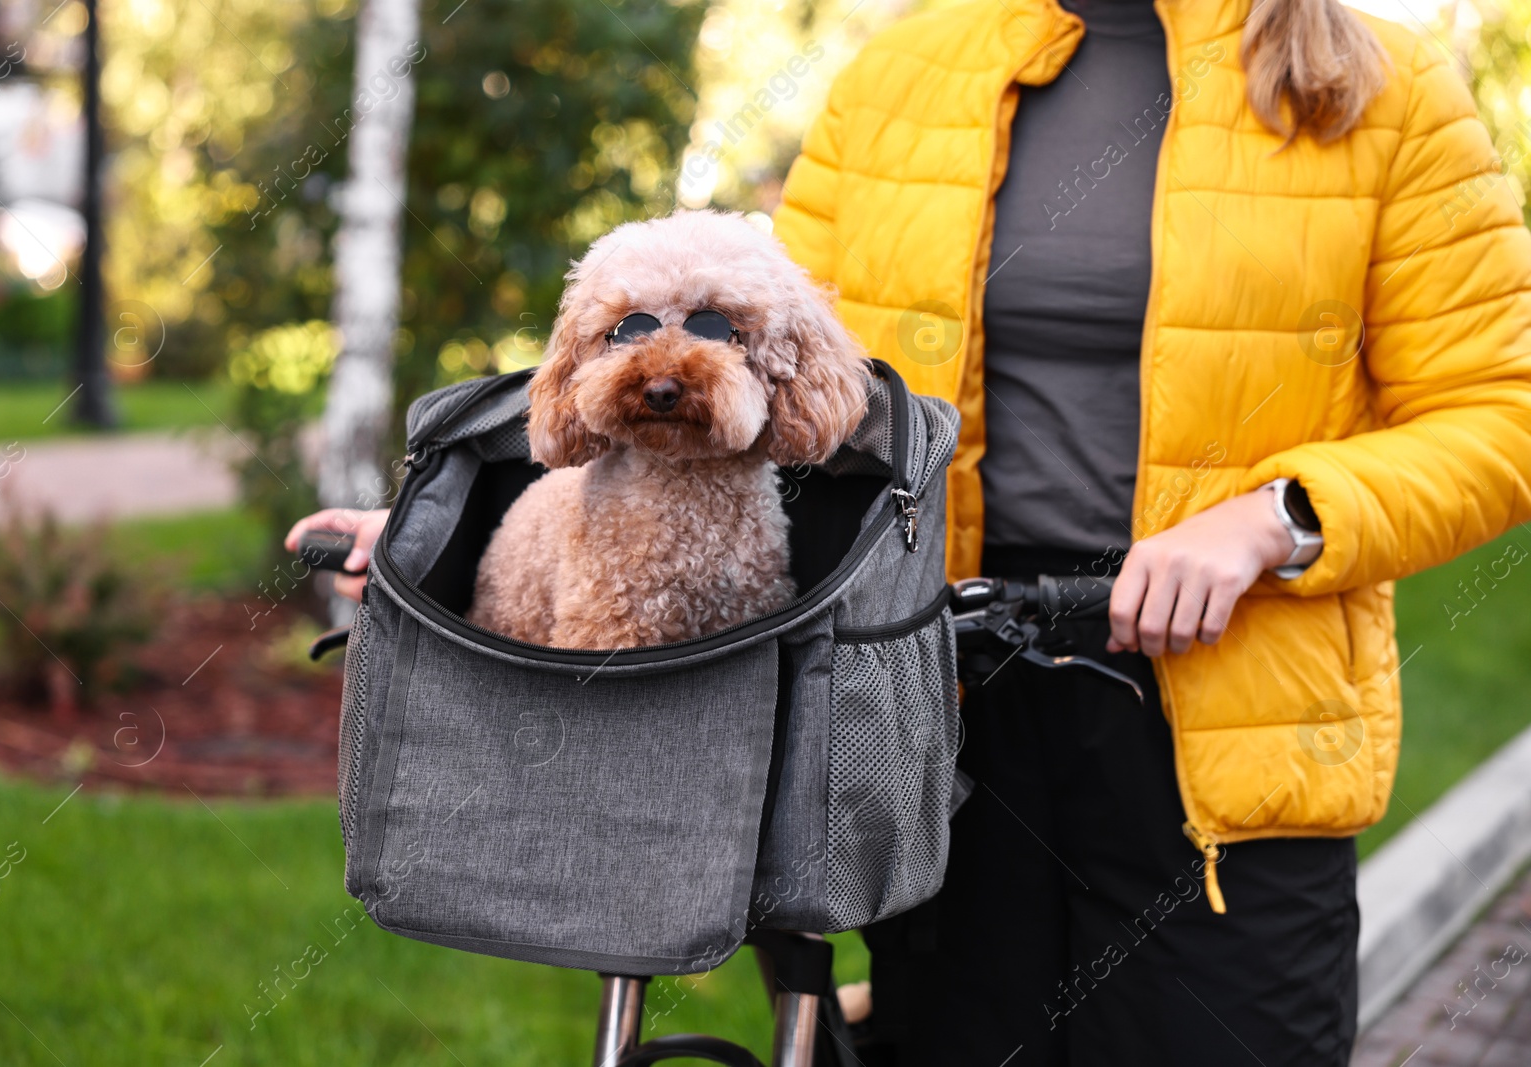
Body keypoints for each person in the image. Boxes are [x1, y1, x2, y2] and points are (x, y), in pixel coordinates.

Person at [291, 0, 1531, 1061]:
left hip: (1233, 718)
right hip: (929, 703)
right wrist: (449, 524)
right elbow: (743, 369)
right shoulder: (907, 71)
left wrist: (1278, 519)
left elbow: (1499, 411)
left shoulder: (1377, 85)